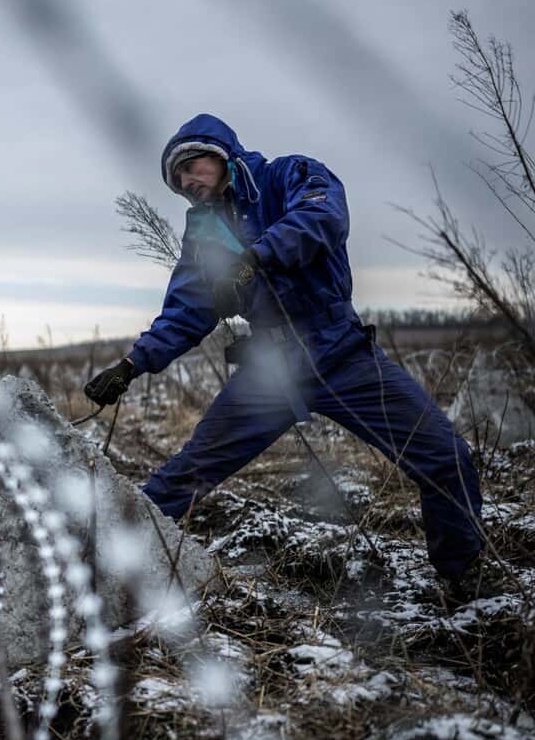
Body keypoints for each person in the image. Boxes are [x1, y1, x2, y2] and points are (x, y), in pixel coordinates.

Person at [84, 114, 486, 600]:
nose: (188, 182)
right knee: (186, 474)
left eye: (193, 166)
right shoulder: (203, 234)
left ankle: (463, 579)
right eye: (178, 180)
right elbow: (188, 310)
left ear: (222, 154)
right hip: (270, 371)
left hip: (341, 353)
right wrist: (132, 366)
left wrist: (256, 256)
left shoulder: (291, 175)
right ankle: (97, 570)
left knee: (446, 456)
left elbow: (324, 218)